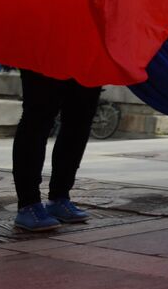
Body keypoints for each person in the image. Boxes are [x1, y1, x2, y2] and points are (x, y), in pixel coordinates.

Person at [10, 69, 103, 230]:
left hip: (89, 52)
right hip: (46, 49)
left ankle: (60, 196)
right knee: (38, 115)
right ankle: (28, 203)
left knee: (80, 119)